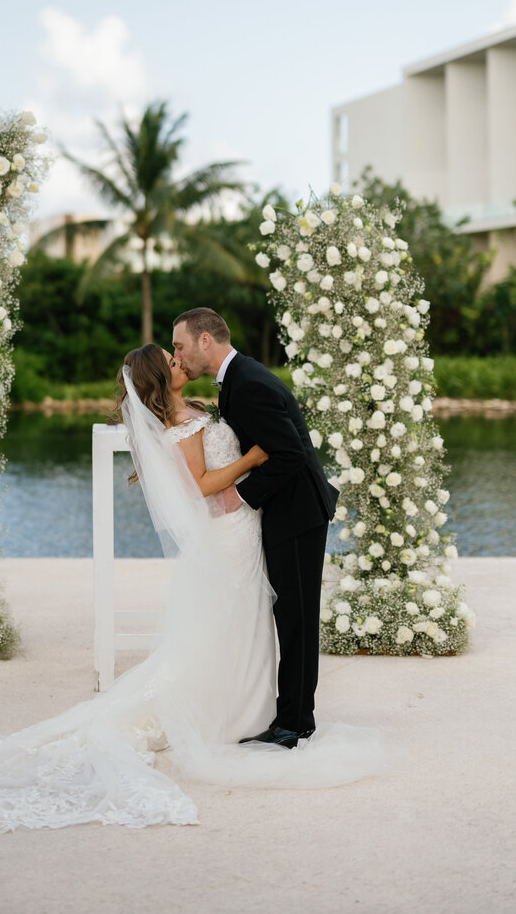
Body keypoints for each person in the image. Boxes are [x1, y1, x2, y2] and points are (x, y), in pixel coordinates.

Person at [0, 344, 382, 833]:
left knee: (243, 619)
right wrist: (252, 460)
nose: (179, 358)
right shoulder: (179, 422)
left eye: (177, 350)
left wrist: (249, 467)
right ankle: (236, 712)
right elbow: (199, 486)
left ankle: (257, 711)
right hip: (228, 531)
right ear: (160, 376)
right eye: (170, 357)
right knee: (231, 619)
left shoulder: (196, 406)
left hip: (242, 527)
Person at [172, 307, 338, 748]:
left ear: (205, 340)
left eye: (180, 346)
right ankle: (291, 715)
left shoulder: (247, 383)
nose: (178, 355)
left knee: (297, 620)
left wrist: (239, 496)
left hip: (298, 513)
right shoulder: (239, 379)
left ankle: (294, 724)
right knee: (289, 615)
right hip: (285, 511)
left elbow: (290, 454)